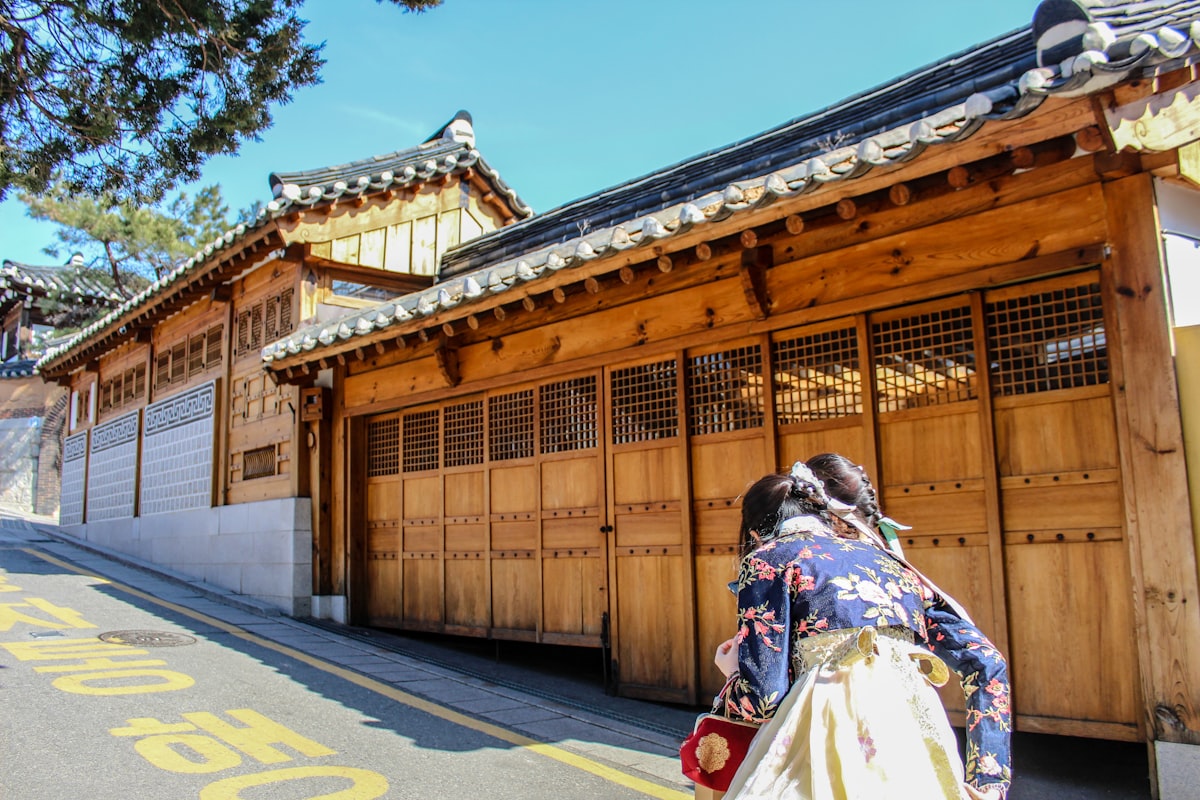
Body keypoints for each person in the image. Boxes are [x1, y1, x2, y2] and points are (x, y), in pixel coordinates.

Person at [710, 455, 1011, 800]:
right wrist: (989, 785)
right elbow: (987, 661)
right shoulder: (893, 565)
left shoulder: (770, 559)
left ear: (754, 532)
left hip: (826, 726)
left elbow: (763, 697)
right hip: (912, 733)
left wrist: (733, 677)